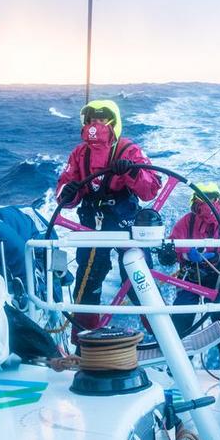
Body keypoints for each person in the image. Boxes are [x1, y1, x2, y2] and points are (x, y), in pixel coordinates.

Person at [56, 100, 162, 333]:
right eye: (91, 120)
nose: (96, 125)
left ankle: (162, 337)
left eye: (101, 120)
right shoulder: (79, 154)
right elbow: (62, 193)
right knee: (87, 281)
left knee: (139, 278)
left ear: (113, 122)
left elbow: (151, 188)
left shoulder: (129, 150)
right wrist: (70, 192)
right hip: (91, 222)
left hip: (124, 218)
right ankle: (84, 344)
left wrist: (132, 171)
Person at [168, 183, 220, 375]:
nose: (207, 202)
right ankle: (178, 363)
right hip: (191, 276)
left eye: (211, 197)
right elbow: (174, 245)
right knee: (182, 315)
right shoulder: (186, 222)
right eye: (203, 197)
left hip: (218, 276)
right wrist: (186, 255)